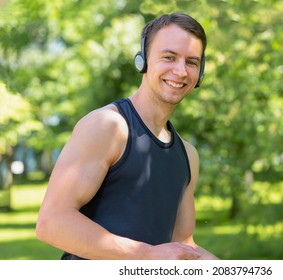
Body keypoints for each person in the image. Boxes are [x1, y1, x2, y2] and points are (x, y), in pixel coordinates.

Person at [36, 12, 218, 260]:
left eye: (192, 62)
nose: (180, 71)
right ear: (143, 60)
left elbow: (182, 244)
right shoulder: (107, 126)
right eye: (169, 57)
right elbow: (52, 223)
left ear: (201, 72)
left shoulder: (188, 156)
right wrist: (146, 255)